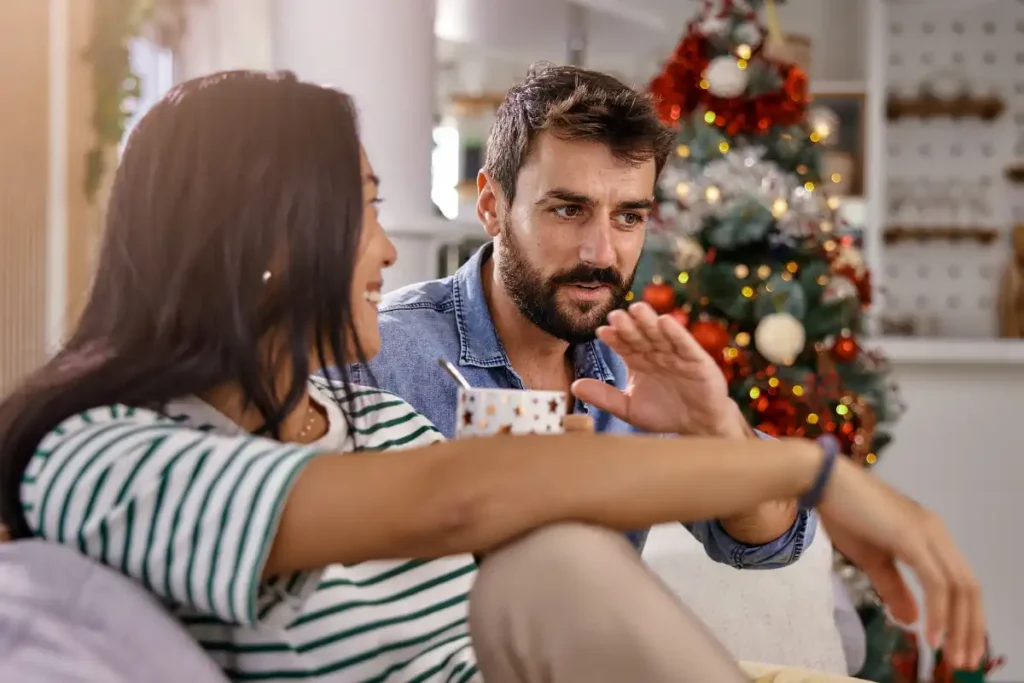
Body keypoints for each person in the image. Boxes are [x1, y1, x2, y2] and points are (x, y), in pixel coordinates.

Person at [0, 71, 984, 682]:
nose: (387, 249)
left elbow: (513, 539)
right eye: (364, 210)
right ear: (262, 239)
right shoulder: (102, 452)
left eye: (630, 215)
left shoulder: (352, 414)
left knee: (549, 555)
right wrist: (802, 465)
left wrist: (717, 441)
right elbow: (460, 496)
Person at [350, 63, 802, 561]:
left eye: (629, 217)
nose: (601, 254)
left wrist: (717, 430)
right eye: (569, 210)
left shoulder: (637, 374)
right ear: (491, 206)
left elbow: (770, 542)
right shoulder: (380, 357)